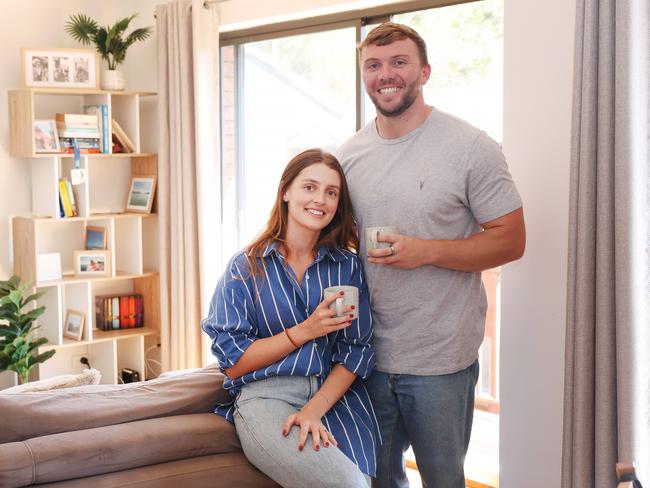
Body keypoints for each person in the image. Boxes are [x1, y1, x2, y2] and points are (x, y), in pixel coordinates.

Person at [336, 22, 526, 488]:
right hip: (365, 357)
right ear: (364, 75)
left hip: (441, 361)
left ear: (424, 72)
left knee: (443, 480)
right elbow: (340, 242)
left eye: (399, 62)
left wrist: (425, 252)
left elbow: (511, 240)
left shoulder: (470, 147)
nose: (386, 74)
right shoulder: (348, 156)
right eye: (374, 65)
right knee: (375, 480)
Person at [201, 149, 380, 488]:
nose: (320, 200)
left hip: (334, 398)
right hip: (267, 399)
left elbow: (356, 350)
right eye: (309, 187)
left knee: (367, 480)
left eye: (331, 192)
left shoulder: (346, 266)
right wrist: (306, 330)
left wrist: (315, 408)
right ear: (286, 192)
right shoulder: (246, 268)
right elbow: (233, 362)